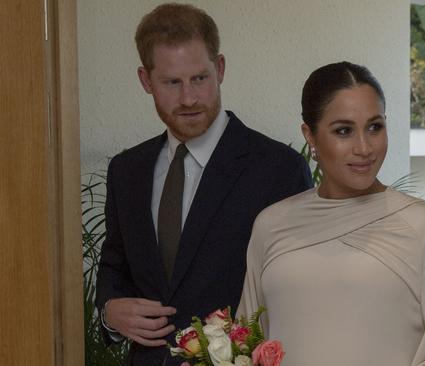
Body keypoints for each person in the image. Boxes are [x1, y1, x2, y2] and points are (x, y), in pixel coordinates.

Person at [94, 4, 312, 365]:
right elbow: (114, 266)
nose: (189, 98)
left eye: (199, 78)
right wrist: (110, 313)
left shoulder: (279, 169)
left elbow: (299, 297)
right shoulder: (126, 170)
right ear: (145, 81)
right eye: (172, 82)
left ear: (220, 68)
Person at [237, 61, 425, 365]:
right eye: (344, 131)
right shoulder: (271, 224)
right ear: (310, 136)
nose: (364, 147)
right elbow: (245, 342)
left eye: (375, 127)